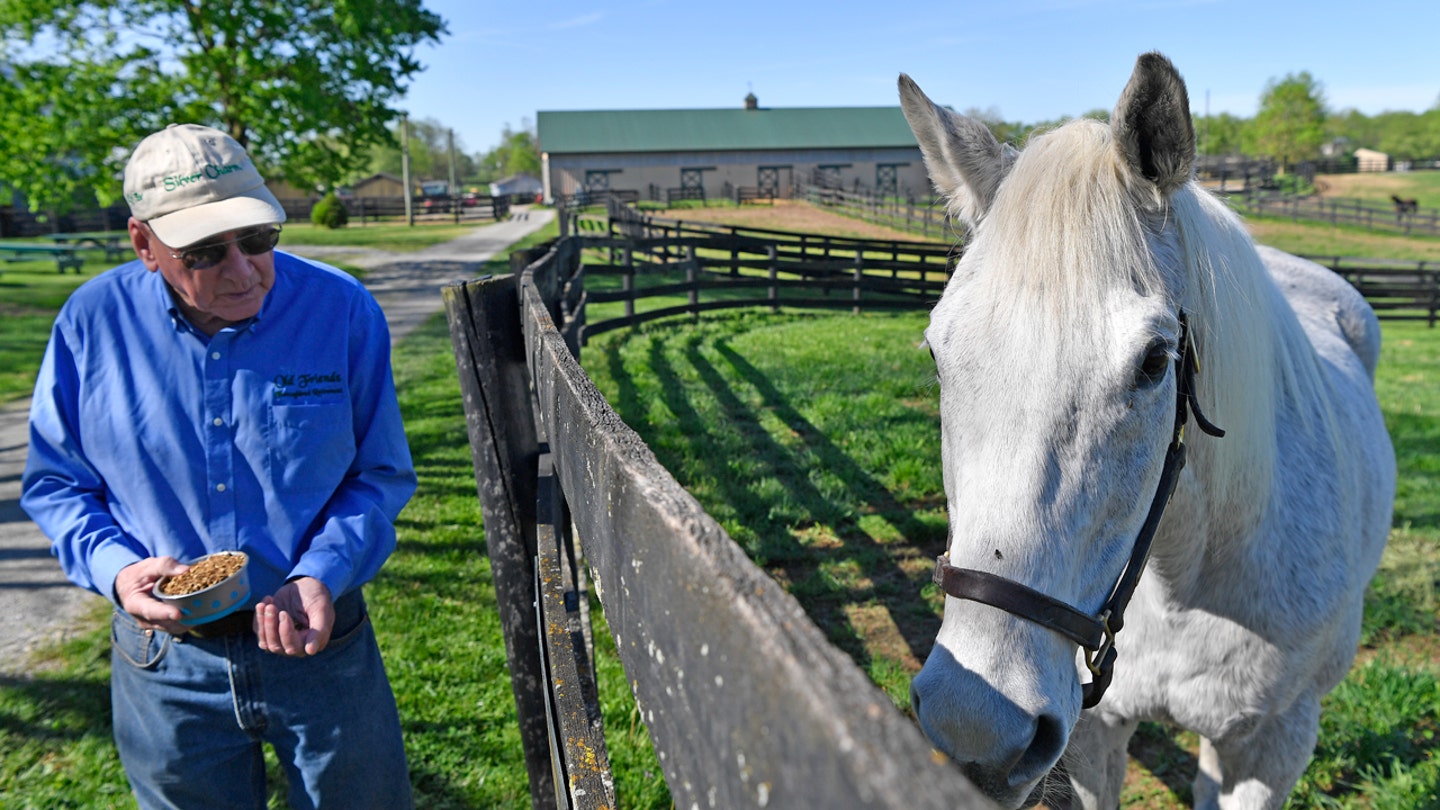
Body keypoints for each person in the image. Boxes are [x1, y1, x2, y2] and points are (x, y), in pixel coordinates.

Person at [21, 123, 418, 809]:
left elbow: (378, 475)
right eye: (205, 252)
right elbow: (57, 484)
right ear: (144, 243)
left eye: (259, 239)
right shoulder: (90, 324)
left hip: (321, 645)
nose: (243, 270)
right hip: (163, 662)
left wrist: (320, 573)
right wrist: (117, 569)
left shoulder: (341, 309)